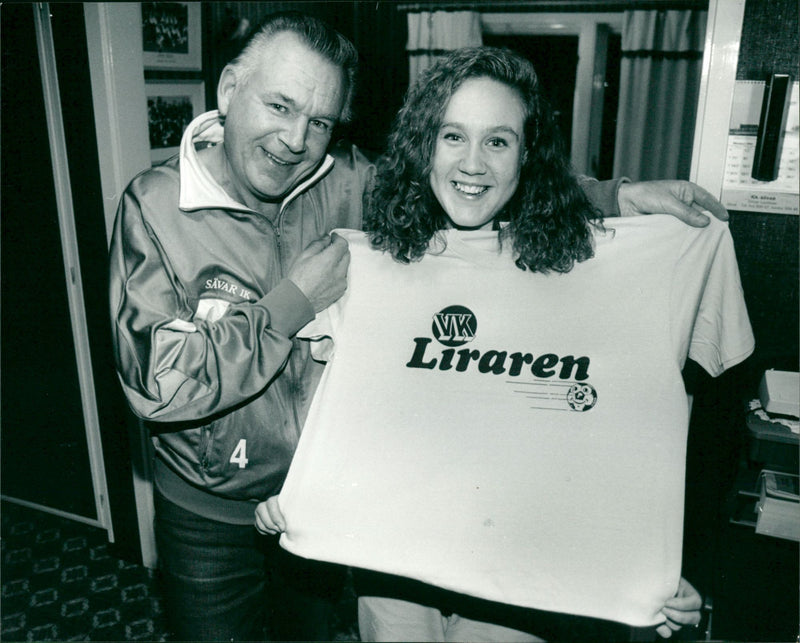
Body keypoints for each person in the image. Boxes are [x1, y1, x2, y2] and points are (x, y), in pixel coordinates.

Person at [110, 10, 731, 642]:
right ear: (229, 88)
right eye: (279, 105)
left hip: (325, 505)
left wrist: (616, 200)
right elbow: (159, 387)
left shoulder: (351, 180)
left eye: (320, 121)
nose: (296, 139)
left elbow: (470, 183)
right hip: (207, 514)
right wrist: (294, 300)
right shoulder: (156, 207)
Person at [256, 46, 753, 641]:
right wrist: (296, 490)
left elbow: (693, 425)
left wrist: (671, 564)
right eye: (451, 136)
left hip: (522, 584)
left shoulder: (601, 269)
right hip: (391, 571)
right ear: (423, 146)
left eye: (498, 141)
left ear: (527, 155)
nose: (472, 163)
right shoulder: (368, 263)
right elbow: (313, 398)